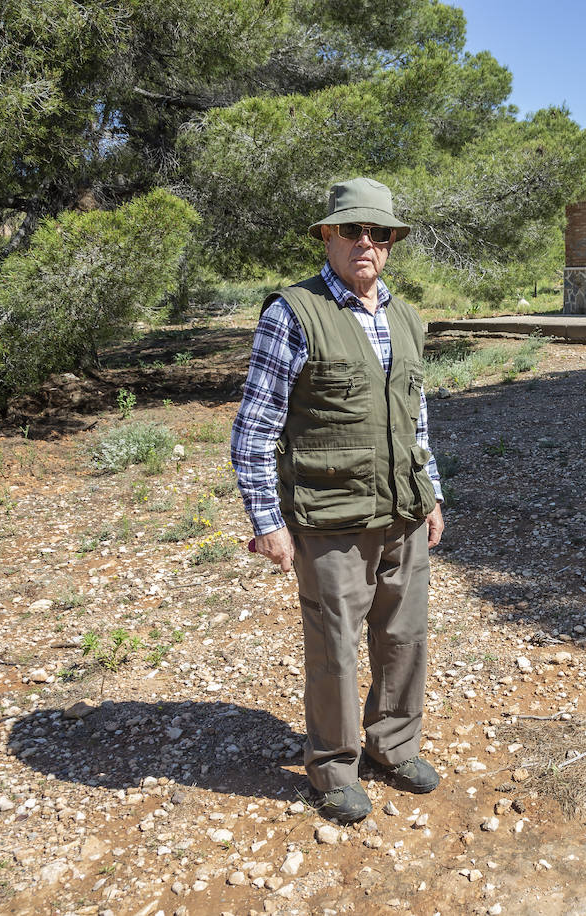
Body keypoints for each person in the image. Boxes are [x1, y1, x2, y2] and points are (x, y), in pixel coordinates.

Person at [231, 177, 445, 824]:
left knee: (404, 639)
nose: (366, 244)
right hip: (328, 521)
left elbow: (416, 419)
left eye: (379, 234)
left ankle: (392, 744)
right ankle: (332, 767)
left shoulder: (405, 317)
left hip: (403, 514)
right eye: (352, 230)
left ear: (391, 244)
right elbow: (254, 430)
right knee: (334, 648)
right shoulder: (291, 315)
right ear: (327, 234)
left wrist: (431, 493)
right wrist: (269, 523)